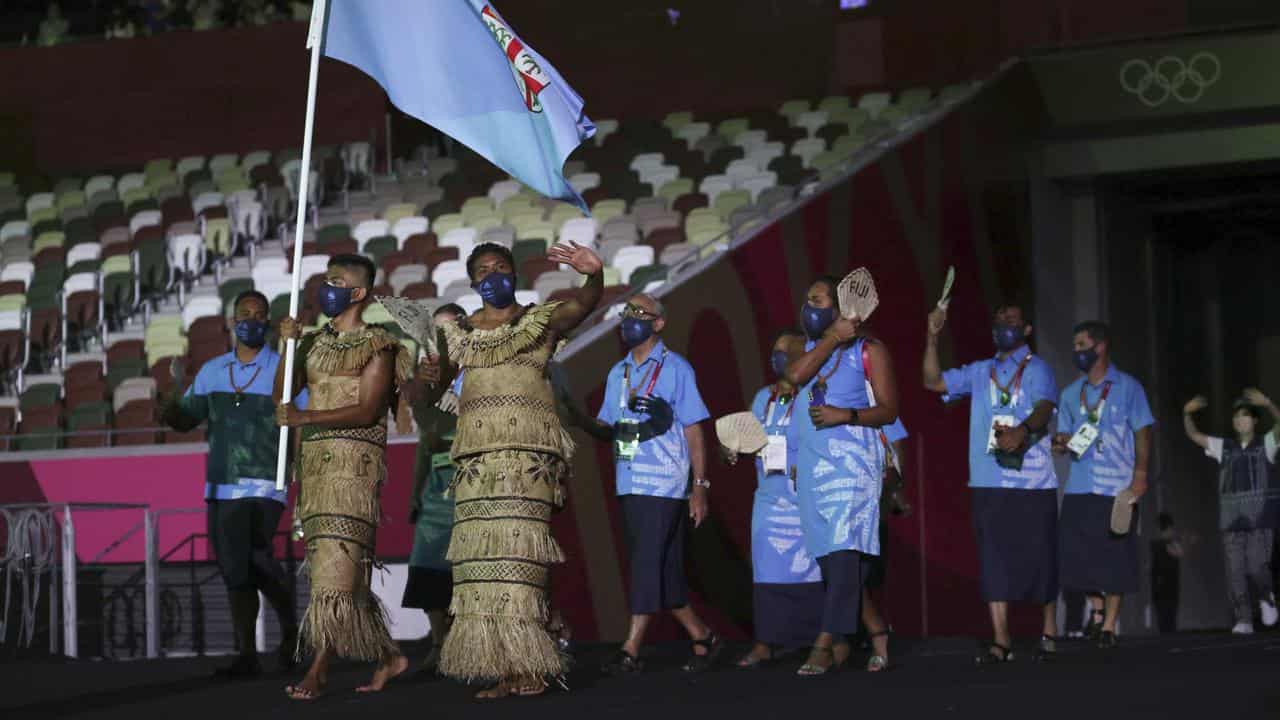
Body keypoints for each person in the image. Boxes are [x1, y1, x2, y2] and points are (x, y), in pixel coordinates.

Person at [418, 240, 603, 699]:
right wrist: (426, 377)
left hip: (526, 461)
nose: (492, 274)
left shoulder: (539, 321)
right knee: (483, 567)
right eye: (483, 269)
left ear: (514, 274)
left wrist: (593, 274)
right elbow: (433, 391)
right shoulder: (458, 333)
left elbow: (584, 303)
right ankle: (504, 666)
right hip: (477, 465)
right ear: (473, 280)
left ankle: (531, 665)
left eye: (500, 266)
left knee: (521, 562)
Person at [274, 254, 414, 699]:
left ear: (358, 292)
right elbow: (281, 396)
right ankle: (389, 655)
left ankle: (318, 668)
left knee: (335, 575)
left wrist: (305, 416)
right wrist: (287, 347)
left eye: (335, 281)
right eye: (324, 280)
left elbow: (369, 409)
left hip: (353, 471)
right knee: (334, 570)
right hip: (314, 469)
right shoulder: (313, 341)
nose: (325, 288)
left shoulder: (379, 344)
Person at [159, 290, 298, 678]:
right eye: (244, 314)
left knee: (254, 556)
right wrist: (171, 392)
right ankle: (249, 654)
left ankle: (290, 633)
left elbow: (301, 419)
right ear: (232, 322)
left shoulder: (283, 368)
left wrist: (297, 471)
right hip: (220, 485)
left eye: (259, 314)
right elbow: (185, 419)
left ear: (268, 322)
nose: (251, 320)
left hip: (265, 484)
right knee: (236, 568)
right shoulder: (211, 371)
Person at [581, 293, 720, 675]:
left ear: (658, 323)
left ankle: (631, 647)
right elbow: (606, 427)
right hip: (629, 481)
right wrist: (571, 416)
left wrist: (700, 485)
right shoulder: (618, 372)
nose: (630, 319)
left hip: (664, 482)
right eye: (626, 313)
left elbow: (693, 427)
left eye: (639, 313)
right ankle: (703, 637)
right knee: (665, 568)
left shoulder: (677, 368)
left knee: (646, 562)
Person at [923, 301, 1059, 664]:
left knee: (1040, 557)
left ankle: (1049, 631)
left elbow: (1045, 407)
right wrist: (932, 337)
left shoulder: (1037, 368)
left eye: (1012, 320)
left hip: (1032, 481)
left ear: (1026, 329)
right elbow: (932, 381)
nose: (1003, 325)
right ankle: (1001, 638)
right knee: (993, 560)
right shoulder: (981, 370)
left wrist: (1023, 429)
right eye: (998, 320)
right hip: (987, 480)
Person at [783, 275, 898, 675]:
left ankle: (824, 642)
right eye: (807, 300)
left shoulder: (870, 350)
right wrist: (831, 338)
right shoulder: (813, 350)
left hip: (852, 466)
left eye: (816, 300)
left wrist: (843, 415)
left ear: (839, 308)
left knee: (845, 553)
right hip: (815, 467)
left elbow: (889, 410)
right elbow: (795, 377)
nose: (807, 308)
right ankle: (877, 631)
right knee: (833, 562)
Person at [1052, 320, 1153, 649]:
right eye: (1074, 346)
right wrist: (1060, 443)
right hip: (1080, 487)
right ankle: (1097, 612)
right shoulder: (1070, 393)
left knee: (1115, 557)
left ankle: (1110, 625)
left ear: (1101, 346)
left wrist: (1140, 474)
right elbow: (1064, 439)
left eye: (1081, 345)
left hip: (1118, 487)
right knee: (1076, 557)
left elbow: (1142, 431)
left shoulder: (1128, 387)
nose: (1076, 352)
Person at [725, 329, 822, 669]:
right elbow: (748, 437)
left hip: (808, 501)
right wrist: (732, 449)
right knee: (767, 573)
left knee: (811, 574)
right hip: (768, 500)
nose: (776, 357)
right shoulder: (763, 396)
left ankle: (818, 642)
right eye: (773, 351)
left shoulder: (814, 395)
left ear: (802, 354)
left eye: (783, 350)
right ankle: (765, 643)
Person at [400, 303, 465, 671]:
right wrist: (414, 493)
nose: (441, 337)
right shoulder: (426, 379)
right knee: (426, 568)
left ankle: (466, 645)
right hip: (436, 489)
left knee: (467, 569)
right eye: (435, 330)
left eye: (449, 328)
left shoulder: (478, 371)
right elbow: (426, 441)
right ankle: (440, 644)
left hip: (473, 481)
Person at [1182, 389, 1280, 634]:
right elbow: (1194, 435)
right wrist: (1186, 413)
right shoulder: (1223, 446)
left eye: (1245, 416)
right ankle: (1243, 618)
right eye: (1236, 417)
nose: (1240, 420)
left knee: (1257, 567)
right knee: (1235, 572)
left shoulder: (1266, 444)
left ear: (1255, 421)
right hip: (1231, 521)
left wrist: (1268, 403)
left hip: (1260, 520)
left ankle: (1267, 595)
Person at [860, 422, 908, 672]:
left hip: (876, 498)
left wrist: (896, 489)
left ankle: (871, 632)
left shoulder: (883, 409)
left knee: (872, 571)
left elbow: (897, 453)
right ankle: (862, 632)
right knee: (845, 566)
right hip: (841, 494)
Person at [1150, 513, 1186, 633]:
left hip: (1167, 585)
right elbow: (1179, 553)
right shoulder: (1159, 545)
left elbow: (1180, 553)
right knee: (1166, 616)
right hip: (1162, 586)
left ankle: (1167, 634)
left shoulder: (1165, 543)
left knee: (1168, 617)